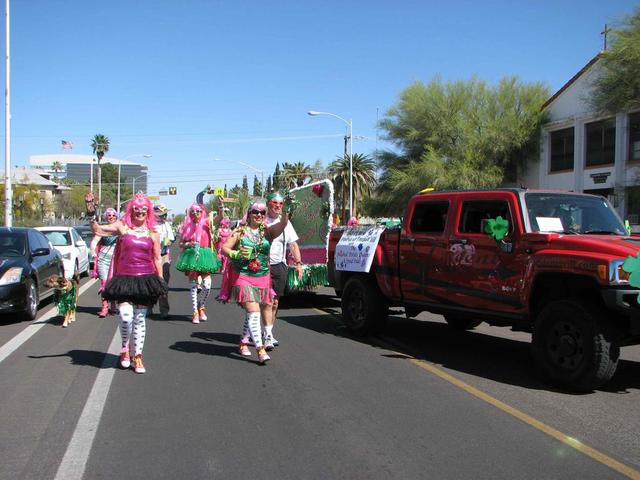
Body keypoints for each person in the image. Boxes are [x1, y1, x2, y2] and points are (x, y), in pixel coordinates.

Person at [85, 192, 167, 374]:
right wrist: (91, 212)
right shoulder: (123, 227)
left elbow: (157, 259)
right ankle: (124, 349)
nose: (140, 213)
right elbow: (98, 230)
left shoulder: (153, 233)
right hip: (124, 279)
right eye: (137, 210)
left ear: (148, 212)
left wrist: (161, 282)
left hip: (145, 279)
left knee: (139, 318)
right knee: (125, 315)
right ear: (132, 210)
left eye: (144, 210)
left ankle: (137, 356)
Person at [221, 200, 289, 364]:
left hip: (263, 276)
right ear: (249, 214)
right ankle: (260, 349)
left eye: (262, 213)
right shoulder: (239, 231)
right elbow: (225, 248)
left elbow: (284, 222)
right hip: (243, 276)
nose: (259, 215)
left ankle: (244, 342)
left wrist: (286, 210)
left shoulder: (267, 232)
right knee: (253, 310)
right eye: (255, 212)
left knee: (253, 312)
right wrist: (237, 255)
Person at [262, 192, 304, 350]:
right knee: (265, 301)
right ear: (268, 204)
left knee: (274, 302)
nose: (278, 206)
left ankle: (269, 332)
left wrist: (298, 263)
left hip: (279, 266)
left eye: (280, 204)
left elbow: (293, 244)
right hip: (261, 266)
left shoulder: (285, 223)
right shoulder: (261, 219)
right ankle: (264, 334)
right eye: (275, 202)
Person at [176, 200, 222, 323]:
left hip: (205, 255)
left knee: (207, 286)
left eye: (198, 211)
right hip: (191, 256)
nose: (195, 213)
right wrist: (188, 244)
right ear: (190, 214)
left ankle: (201, 306)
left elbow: (219, 218)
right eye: (193, 212)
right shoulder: (187, 227)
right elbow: (180, 244)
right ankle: (195, 312)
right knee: (193, 286)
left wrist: (221, 207)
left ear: (202, 213)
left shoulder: (207, 223)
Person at [90, 208, 119, 318]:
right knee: (104, 284)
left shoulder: (120, 228)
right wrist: (93, 251)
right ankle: (104, 307)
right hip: (103, 259)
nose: (111, 217)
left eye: (113, 215)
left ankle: (113, 305)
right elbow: (94, 241)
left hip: (116, 260)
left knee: (114, 284)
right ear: (106, 217)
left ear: (116, 216)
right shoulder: (102, 229)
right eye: (109, 215)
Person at [153, 203, 175, 318]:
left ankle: (164, 310)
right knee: (150, 282)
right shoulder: (149, 225)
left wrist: (168, 241)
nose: (164, 216)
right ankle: (148, 307)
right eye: (162, 214)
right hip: (150, 257)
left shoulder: (166, 225)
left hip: (163, 256)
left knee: (164, 283)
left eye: (165, 214)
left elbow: (171, 239)